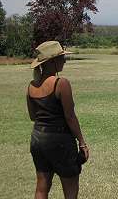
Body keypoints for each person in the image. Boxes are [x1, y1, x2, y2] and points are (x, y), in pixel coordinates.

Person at [27, 41, 89, 199]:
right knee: (70, 187)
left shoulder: (32, 86)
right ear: (52, 62)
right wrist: (82, 142)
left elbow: (33, 116)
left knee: (42, 186)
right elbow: (70, 117)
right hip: (59, 140)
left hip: (37, 139)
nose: (64, 61)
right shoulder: (61, 83)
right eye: (62, 58)